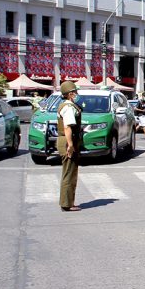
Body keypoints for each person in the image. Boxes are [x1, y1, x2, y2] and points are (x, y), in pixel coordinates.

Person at [56, 81, 82, 212]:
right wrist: (70, 145)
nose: (77, 94)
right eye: (75, 92)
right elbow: (67, 127)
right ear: (70, 94)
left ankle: (68, 201)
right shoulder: (68, 107)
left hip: (67, 141)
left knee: (70, 172)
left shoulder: (68, 105)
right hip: (67, 141)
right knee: (69, 173)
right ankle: (66, 203)